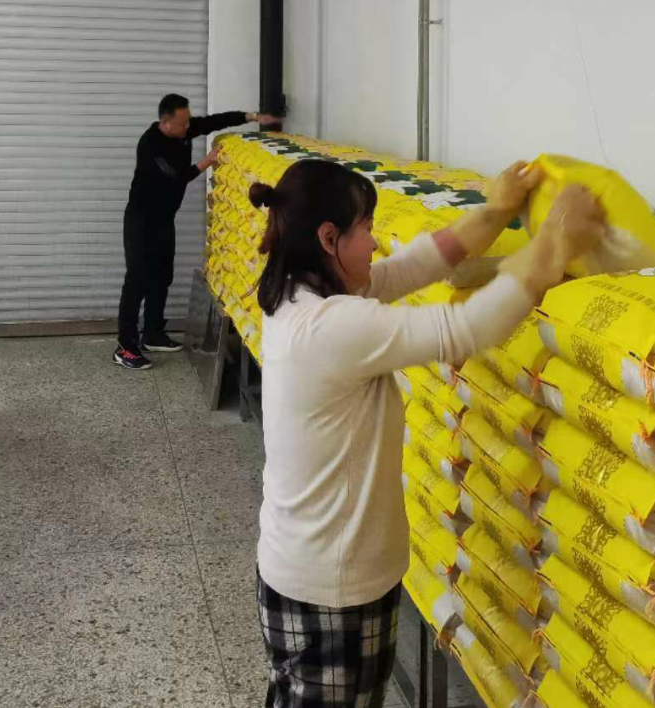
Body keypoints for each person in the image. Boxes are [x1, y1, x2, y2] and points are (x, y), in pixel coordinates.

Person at [249, 159, 605, 706]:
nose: (374, 242)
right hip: (330, 591)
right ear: (328, 238)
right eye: (366, 228)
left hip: (306, 569)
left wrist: (496, 212)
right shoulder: (330, 326)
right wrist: (553, 245)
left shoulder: (301, 295)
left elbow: (413, 266)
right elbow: (465, 328)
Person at [113, 93, 280, 370]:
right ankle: (125, 347)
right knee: (137, 280)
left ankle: (152, 333)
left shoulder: (184, 128)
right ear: (165, 122)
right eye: (182, 124)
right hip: (141, 222)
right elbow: (177, 176)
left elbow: (215, 121)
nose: (188, 128)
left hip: (164, 220)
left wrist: (252, 116)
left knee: (162, 276)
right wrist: (209, 160)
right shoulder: (151, 144)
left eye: (188, 121)